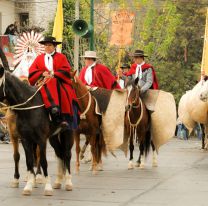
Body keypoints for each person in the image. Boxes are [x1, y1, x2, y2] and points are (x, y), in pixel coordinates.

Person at [28, 36, 79, 134]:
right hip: (42, 82)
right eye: (46, 45)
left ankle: (57, 111)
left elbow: (66, 70)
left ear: (54, 46)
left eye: (50, 45)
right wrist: (41, 73)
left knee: (63, 89)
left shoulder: (61, 57)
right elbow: (32, 70)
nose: (47, 47)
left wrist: (54, 74)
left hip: (59, 82)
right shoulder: (39, 58)